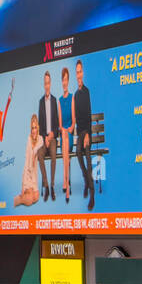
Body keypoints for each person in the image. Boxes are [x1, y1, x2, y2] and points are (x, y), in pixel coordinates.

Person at [74, 60, 95, 210]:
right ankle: (86, 180)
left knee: (87, 155)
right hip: (80, 133)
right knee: (77, 151)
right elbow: (77, 119)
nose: (79, 74)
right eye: (77, 72)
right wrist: (80, 136)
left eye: (80, 71)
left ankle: (92, 194)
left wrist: (87, 134)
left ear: (83, 73)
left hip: (87, 132)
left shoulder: (86, 92)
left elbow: (88, 114)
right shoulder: (75, 95)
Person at [37, 70, 60, 201]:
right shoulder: (41, 102)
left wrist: (52, 135)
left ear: (50, 84)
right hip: (44, 139)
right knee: (39, 155)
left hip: (52, 139)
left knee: (53, 156)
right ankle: (46, 186)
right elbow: (40, 125)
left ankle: (52, 185)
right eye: (45, 83)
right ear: (44, 84)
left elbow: (57, 125)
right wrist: (44, 137)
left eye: (48, 83)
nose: (47, 85)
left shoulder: (54, 101)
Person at [14, 115, 44, 207]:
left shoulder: (40, 139)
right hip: (28, 175)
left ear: (38, 128)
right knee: (30, 199)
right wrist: (23, 185)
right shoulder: (29, 139)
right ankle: (17, 200)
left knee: (36, 197)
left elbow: (36, 150)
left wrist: (35, 186)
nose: (34, 130)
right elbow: (27, 162)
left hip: (33, 176)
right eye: (32, 128)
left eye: (35, 128)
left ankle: (20, 198)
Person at [58, 67, 74, 203]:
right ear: (61, 81)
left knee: (66, 137)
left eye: (66, 80)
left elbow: (73, 122)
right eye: (63, 80)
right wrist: (63, 130)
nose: (64, 82)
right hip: (63, 136)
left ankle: (65, 181)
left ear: (68, 81)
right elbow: (59, 124)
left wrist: (69, 129)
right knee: (63, 135)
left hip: (69, 135)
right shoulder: (59, 101)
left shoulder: (72, 97)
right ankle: (66, 184)